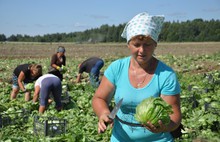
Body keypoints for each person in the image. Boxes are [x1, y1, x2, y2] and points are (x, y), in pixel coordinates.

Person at [92, 12, 181, 142]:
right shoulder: (116, 68)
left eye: (148, 44)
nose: (142, 50)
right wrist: (103, 113)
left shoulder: (166, 75)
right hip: (120, 138)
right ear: (128, 44)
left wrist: (164, 127)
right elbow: (99, 98)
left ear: (155, 44)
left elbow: (175, 116)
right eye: (137, 44)